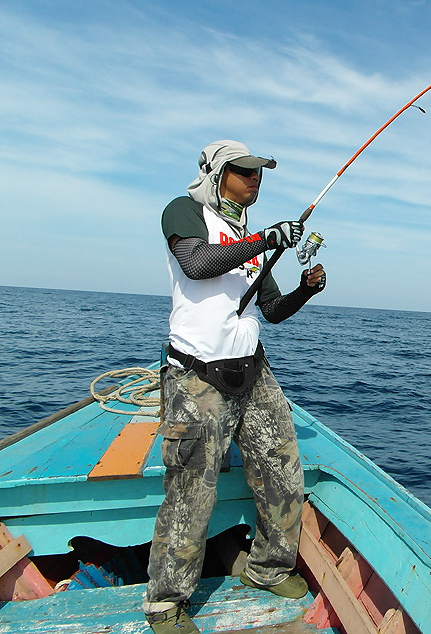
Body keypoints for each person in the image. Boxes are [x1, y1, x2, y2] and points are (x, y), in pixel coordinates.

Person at [143, 140, 326, 634]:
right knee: (190, 491)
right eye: (244, 171)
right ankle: (166, 603)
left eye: (260, 173)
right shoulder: (184, 211)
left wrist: (305, 290)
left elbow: (270, 310)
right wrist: (267, 240)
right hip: (196, 375)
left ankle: (268, 570)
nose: (255, 180)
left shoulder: (247, 238)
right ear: (217, 172)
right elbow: (197, 264)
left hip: (254, 372)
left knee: (283, 469)